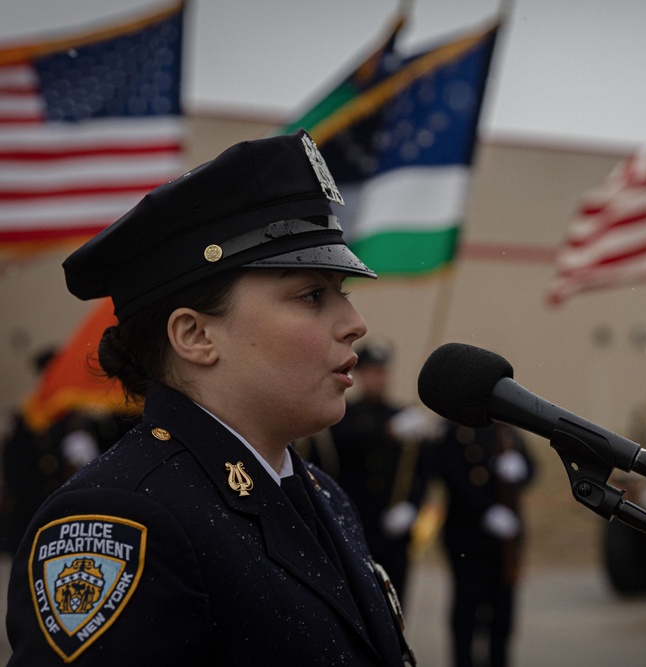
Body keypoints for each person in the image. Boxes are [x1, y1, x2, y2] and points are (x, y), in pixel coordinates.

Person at [5, 131, 415, 666]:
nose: (354, 324)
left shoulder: (322, 494)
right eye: (312, 295)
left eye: (344, 293)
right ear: (195, 336)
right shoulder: (123, 522)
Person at [303, 338, 439, 607]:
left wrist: (411, 508)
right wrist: (387, 432)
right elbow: (342, 442)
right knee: (360, 604)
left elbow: (422, 472)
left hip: (395, 530)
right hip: (355, 526)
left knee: (396, 602)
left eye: (383, 371)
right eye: (373, 372)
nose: (379, 378)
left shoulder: (403, 415)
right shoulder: (344, 415)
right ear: (361, 375)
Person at [434, 422, 534, 667]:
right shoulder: (456, 430)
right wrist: (486, 513)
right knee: (467, 613)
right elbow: (451, 473)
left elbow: (532, 468)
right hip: (468, 540)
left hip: (504, 541)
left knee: (502, 616)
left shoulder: (506, 430)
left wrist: (523, 469)